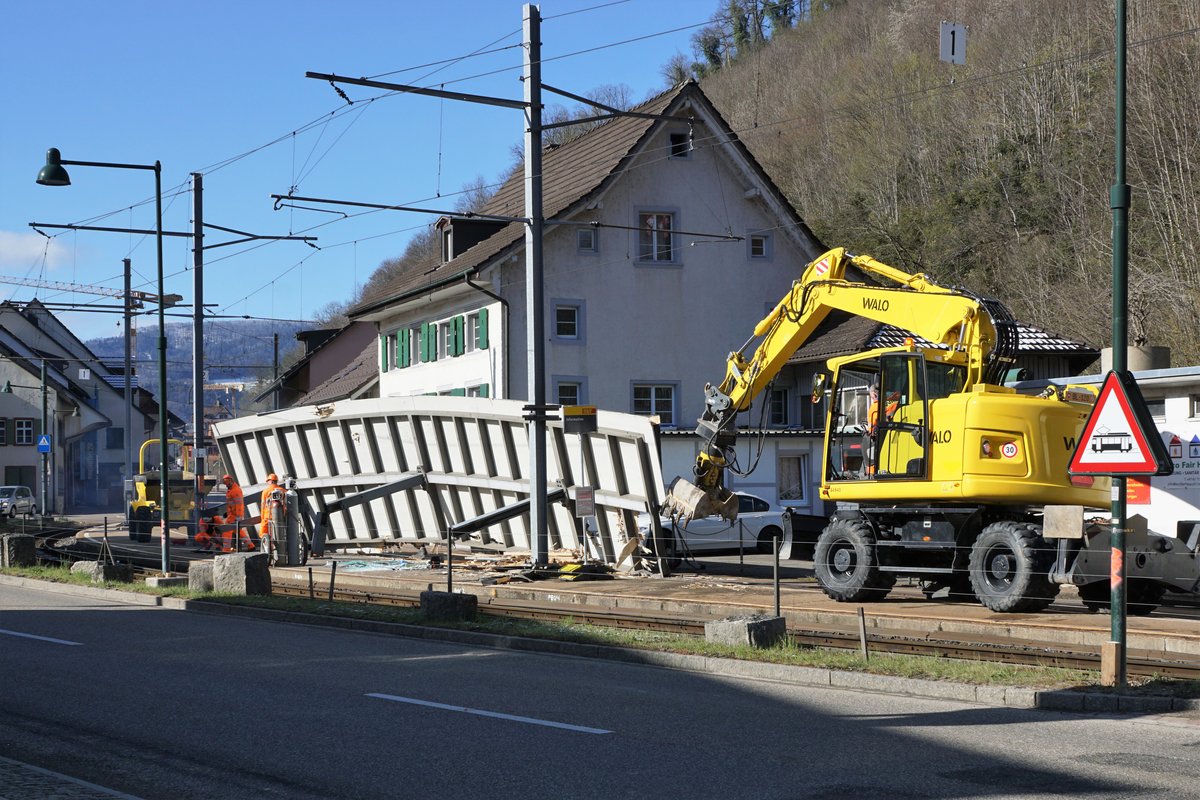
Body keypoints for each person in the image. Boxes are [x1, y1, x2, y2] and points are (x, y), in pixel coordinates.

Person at [259, 473, 286, 552]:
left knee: (263, 533)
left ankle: (268, 547)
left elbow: (263, 505)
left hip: (268, 516)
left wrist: (262, 517)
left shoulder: (265, 491)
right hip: (281, 517)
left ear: (270, 481)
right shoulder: (283, 490)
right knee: (278, 533)